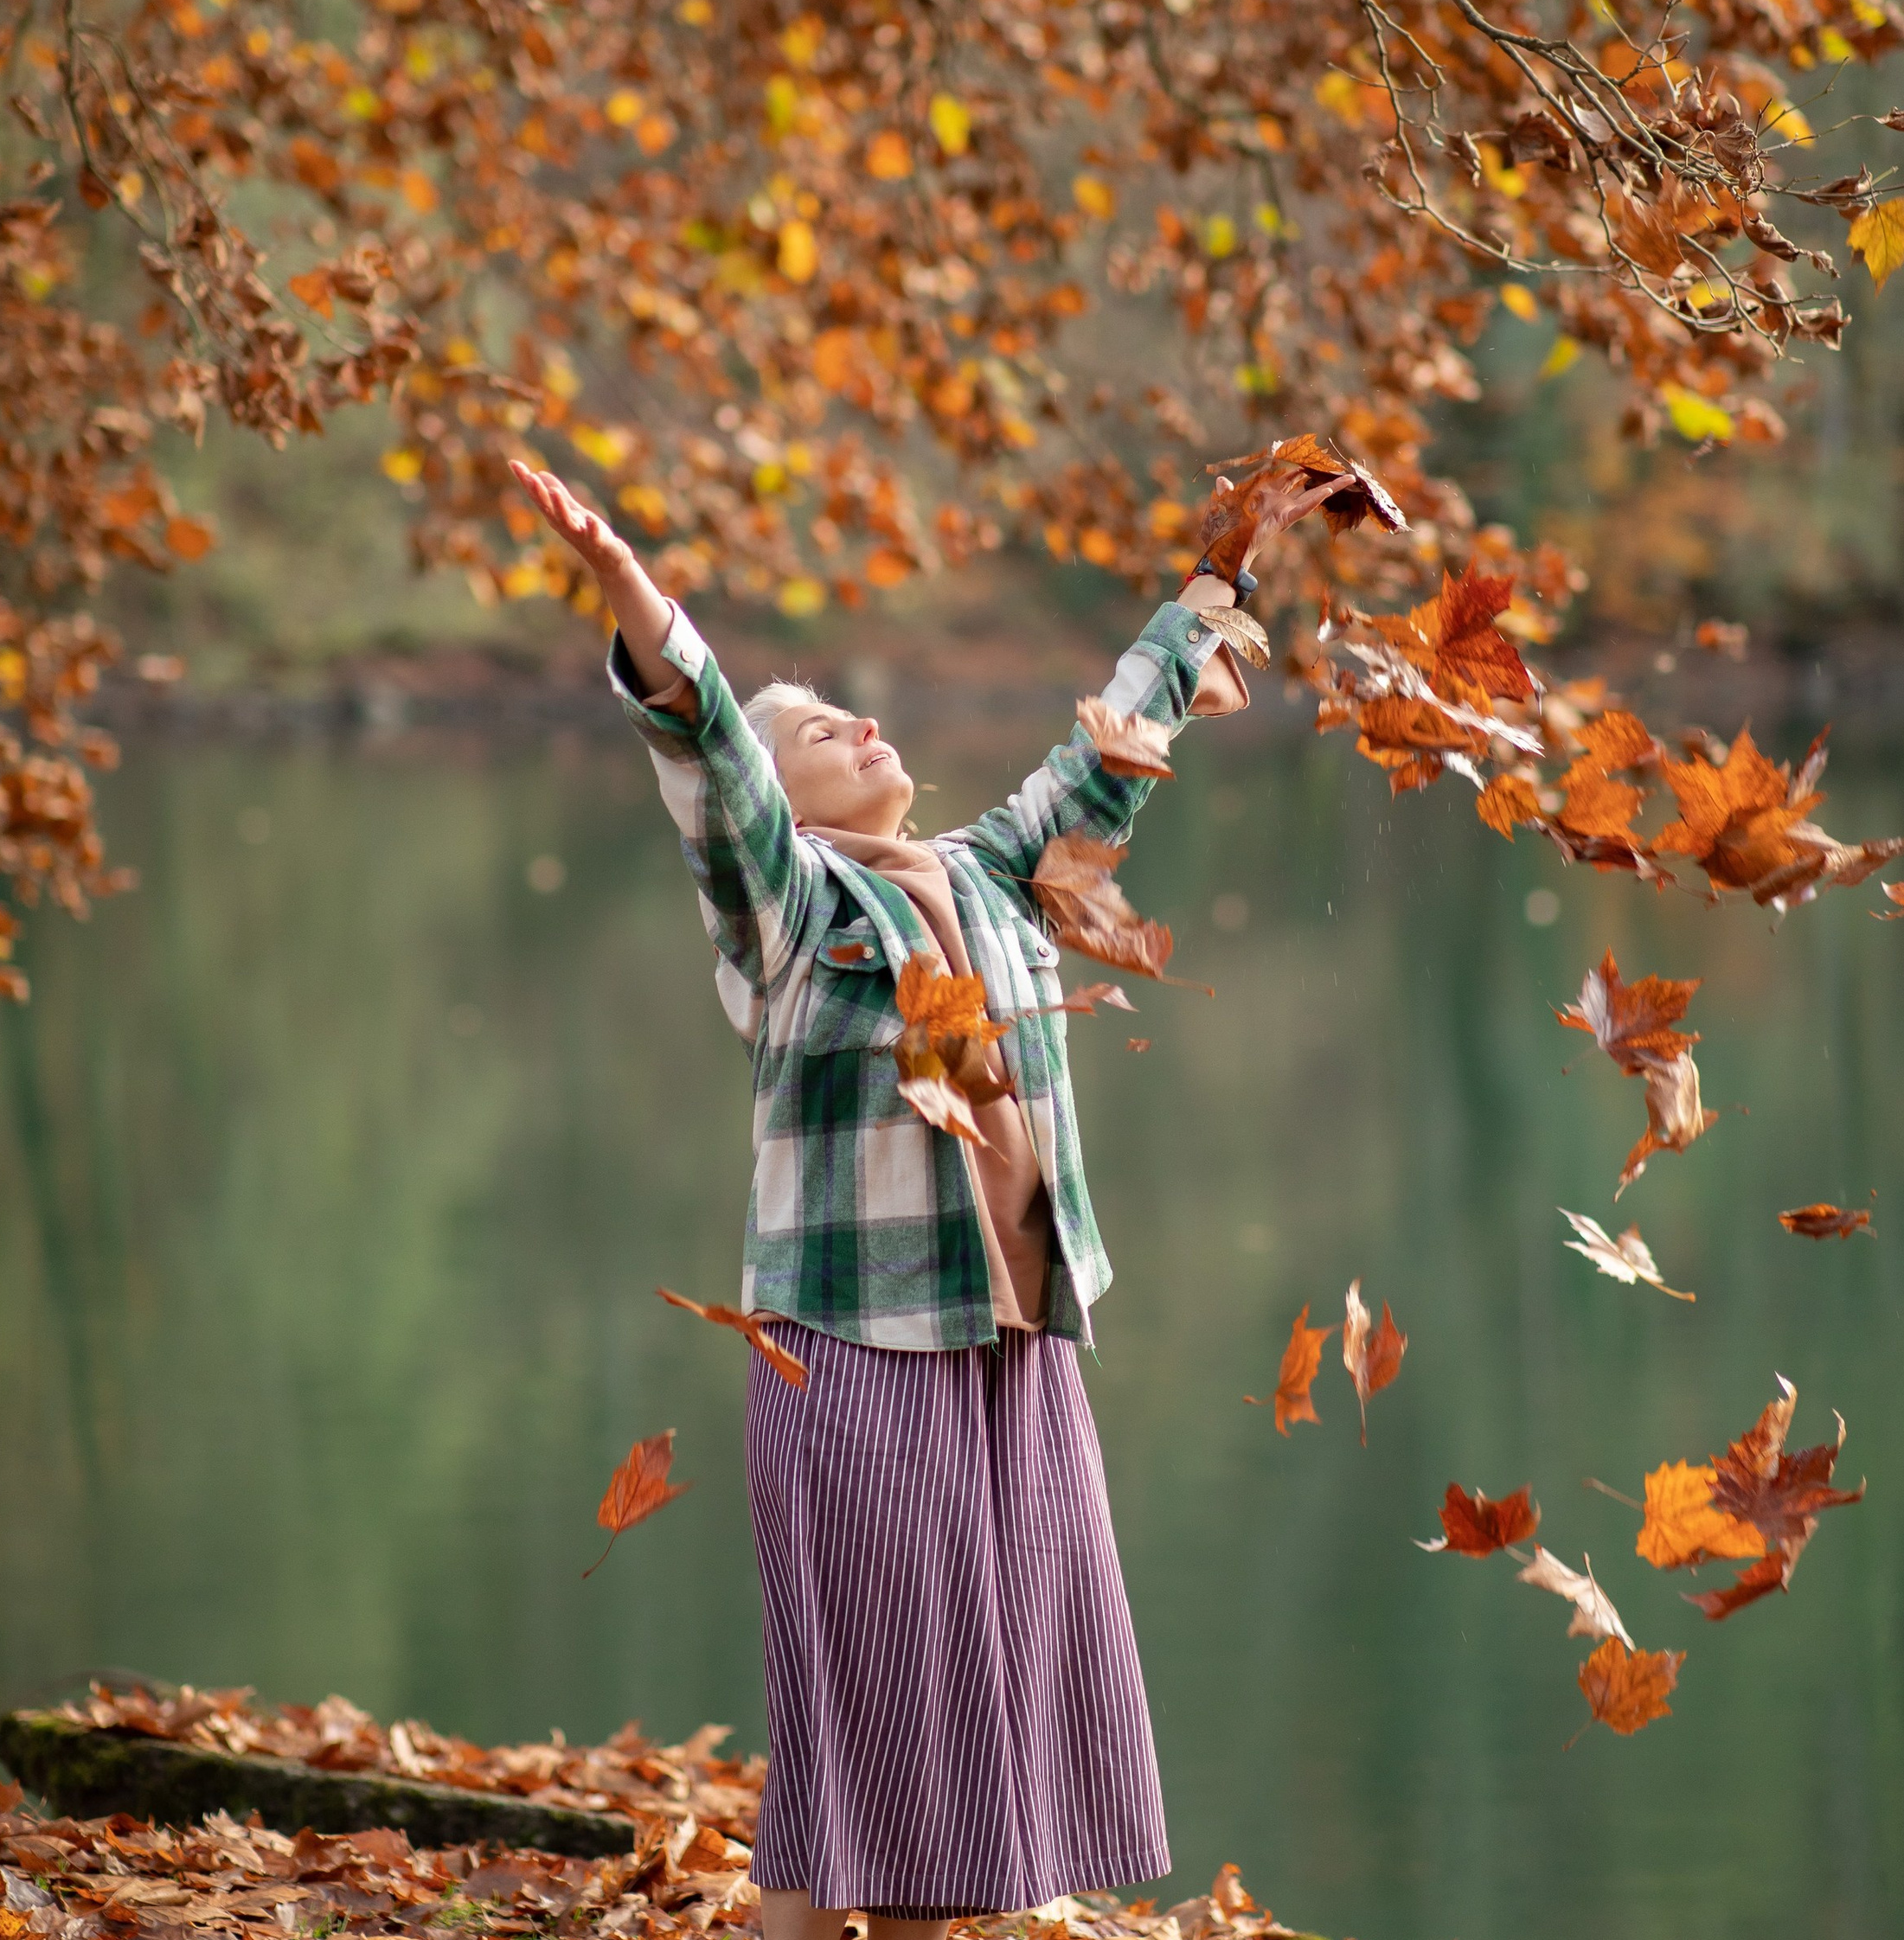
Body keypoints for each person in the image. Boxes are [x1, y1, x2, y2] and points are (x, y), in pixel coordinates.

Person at [509, 456, 1349, 1940]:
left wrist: (1223, 574)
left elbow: (1108, 759)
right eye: (816, 734)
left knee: (930, 1748)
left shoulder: (994, 876)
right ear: (786, 803)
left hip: (1010, 1345)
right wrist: (629, 586)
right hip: (855, 1352)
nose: (856, 724)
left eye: (848, 711)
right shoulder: (788, 913)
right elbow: (711, 754)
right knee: (890, 1742)